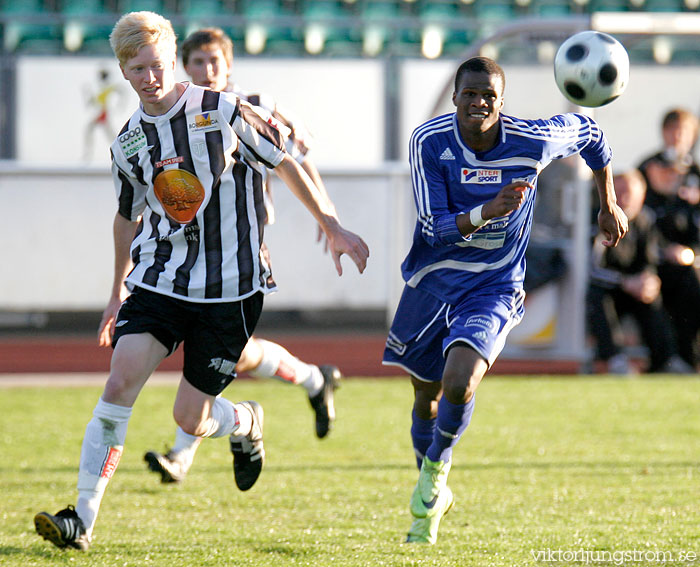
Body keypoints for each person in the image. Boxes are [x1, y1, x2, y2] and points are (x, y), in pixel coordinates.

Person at [33, 11, 369, 551]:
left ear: (173, 61)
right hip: (161, 280)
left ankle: (244, 420)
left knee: (188, 415)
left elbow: (284, 162)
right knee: (119, 381)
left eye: (158, 65)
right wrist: (116, 290)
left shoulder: (223, 109)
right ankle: (82, 520)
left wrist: (331, 225)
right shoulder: (128, 144)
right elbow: (127, 217)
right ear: (123, 71)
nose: (150, 77)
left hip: (232, 290)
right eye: (137, 68)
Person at [382, 56, 628, 545]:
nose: (478, 103)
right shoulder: (428, 141)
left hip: (492, 286)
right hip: (432, 282)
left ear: (501, 101)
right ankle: (432, 493)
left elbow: (592, 135)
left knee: (459, 382)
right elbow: (433, 228)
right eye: (469, 95)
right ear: (455, 98)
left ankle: (433, 473)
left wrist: (608, 201)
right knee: (425, 398)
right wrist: (486, 211)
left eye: (488, 96)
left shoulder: (532, 140)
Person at [143, 27, 343, 485]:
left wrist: (326, 215)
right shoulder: (170, 114)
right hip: (189, 257)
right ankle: (315, 379)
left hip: (241, 257)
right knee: (232, 357)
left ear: (228, 66)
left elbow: (294, 157)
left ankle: (181, 454)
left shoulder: (252, 105)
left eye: (214, 61)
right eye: (197, 62)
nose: (206, 70)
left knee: (214, 357)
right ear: (183, 66)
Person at [586, 170, 692, 375]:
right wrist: (626, 282)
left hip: (635, 290)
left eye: (630, 192)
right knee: (598, 298)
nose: (624, 198)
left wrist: (649, 281)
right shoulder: (600, 220)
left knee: (653, 298)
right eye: (620, 191)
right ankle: (613, 358)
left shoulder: (645, 221)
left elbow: (651, 259)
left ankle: (665, 360)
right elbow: (594, 269)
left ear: (641, 196)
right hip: (610, 289)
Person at [638, 108, 700, 369]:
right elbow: (636, 214)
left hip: (687, 261)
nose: (677, 137)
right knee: (648, 291)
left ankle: (688, 359)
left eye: (683, 131)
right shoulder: (648, 168)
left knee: (692, 287)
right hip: (653, 257)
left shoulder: (696, 173)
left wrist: (691, 253)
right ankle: (660, 360)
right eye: (672, 130)